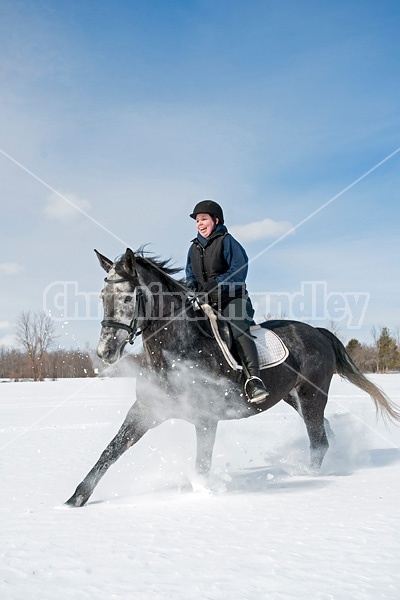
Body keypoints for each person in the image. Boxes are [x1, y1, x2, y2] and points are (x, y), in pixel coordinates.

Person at [185, 200, 269, 404]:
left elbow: (239, 271)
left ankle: (254, 380)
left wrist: (216, 284)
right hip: (207, 302)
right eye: (197, 221)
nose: (200, 224)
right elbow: (190, 274)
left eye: (203, 219)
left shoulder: (227, 241)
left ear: (216, 220)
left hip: (233, 298)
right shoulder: (193, 249)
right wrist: (193, 287)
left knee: (237, 326)